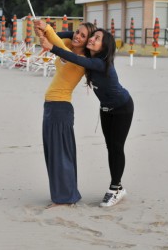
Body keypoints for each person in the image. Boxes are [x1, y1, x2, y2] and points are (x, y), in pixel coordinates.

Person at [38, 28, 134, 207]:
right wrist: (73, 33)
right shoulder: (90, 60)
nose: (90, 40)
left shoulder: (100, 63)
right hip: (106, 108)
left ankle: (116, 188)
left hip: (122, 107)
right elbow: (68, 39)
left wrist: (52, 47)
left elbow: (74, 58)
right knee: (109, 146)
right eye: (91, 37)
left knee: (116, 147)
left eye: (96, 39)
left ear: (104, 46)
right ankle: (117, 185)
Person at [33, 20, 96, 207]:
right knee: (53, 153)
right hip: (51, 107)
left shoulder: (81, 60)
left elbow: (58, 46)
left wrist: (48, 28)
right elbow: (60, 40)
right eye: (77, 32)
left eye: (83, 36)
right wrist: (42, 33)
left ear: (88, 42)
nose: (77, 36)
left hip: (61, 107)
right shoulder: (70, 46)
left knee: (61, 155)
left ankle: (65, 198)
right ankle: (63, 194)